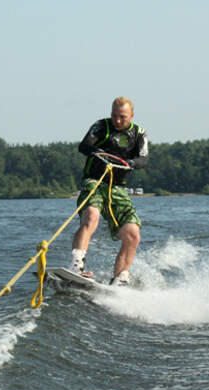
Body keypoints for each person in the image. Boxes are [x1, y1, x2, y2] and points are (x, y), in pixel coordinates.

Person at [69, 96, 149, 286]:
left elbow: (143, 160)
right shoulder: (101, 126)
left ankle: (120, 279)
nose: (117, 120)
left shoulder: (139, 133)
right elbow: (84, 146)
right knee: (91, 216)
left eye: (122, 117)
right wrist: (97, 152)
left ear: (132, 115)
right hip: (94, 182)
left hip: (117, 188)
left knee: (133, 234)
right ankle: (76, 266)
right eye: (114, 116)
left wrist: (132, 163)